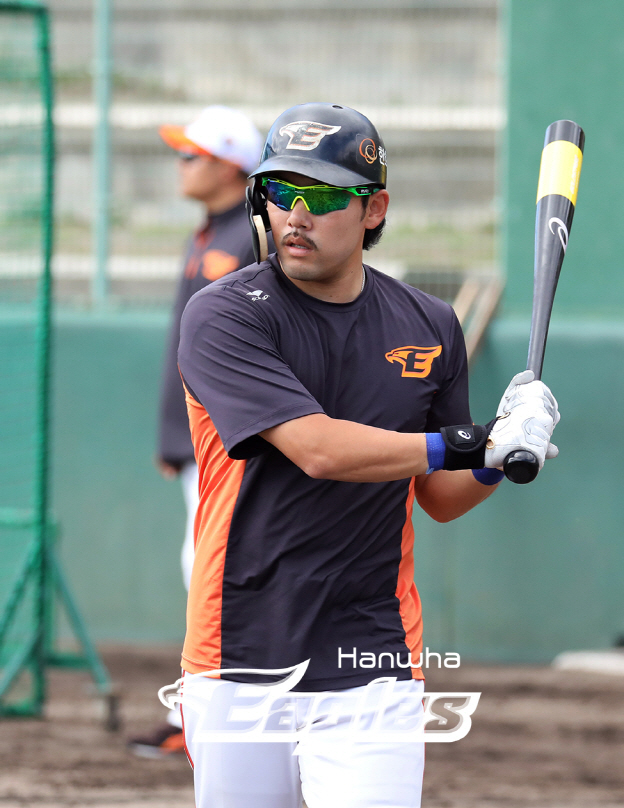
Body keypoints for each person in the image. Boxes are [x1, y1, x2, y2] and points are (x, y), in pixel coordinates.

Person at [175, 103, 560, 807]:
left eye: (322, 197)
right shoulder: (225, 314)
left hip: (372, 651)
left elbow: (441, 498)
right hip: (239, 648)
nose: (296, 215)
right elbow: (317, 449)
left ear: (373, 208)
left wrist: (502, 451)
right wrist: (472, 441)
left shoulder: (429, 324)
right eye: (280, 192)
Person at [127, 106, 264, 758]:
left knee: (217, 575)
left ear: (230, 166)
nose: (180, 165)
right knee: (205, 573)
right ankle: (204, 713)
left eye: (192, 155)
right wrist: (172, 441)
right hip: (198, 445)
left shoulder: (254, 235)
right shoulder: (210, 231)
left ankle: (209, 716)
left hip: (232, 443)